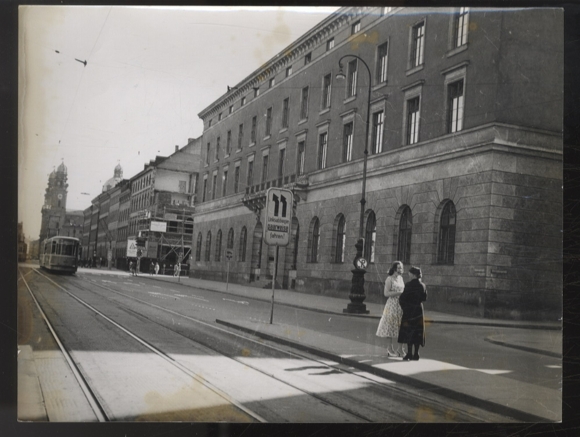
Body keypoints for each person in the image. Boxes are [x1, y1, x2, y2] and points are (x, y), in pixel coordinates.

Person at [376, 261, 406, 357]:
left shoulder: (401, 278)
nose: (400, 270)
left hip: (401, 305)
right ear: (394, 269)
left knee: (400, 326)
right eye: (398, 268)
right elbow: (386, 293)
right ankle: (390, 348)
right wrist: (399, 293)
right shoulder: (389, 279)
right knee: (390, 325)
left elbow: (403, 290)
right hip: (392, 304)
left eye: (401, 268)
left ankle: (400, 349)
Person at [398, 266, 427, 361]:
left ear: (413, 274)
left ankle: (409, 353)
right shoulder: (422, 285)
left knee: (408, 331)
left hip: (409, 311)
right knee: (417, 331)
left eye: (410, 273)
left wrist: (404, 308)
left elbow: (402, 298)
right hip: (418, 310)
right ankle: (416, 353)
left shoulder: (408, 285)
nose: (408, 275)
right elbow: (424, 298)